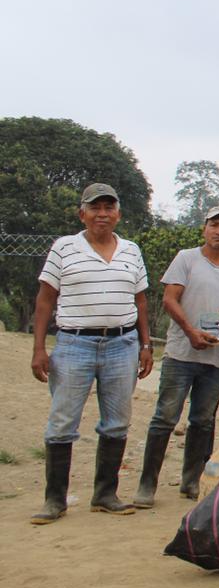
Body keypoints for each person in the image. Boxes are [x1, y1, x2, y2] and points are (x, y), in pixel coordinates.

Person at [29, 183, 152, 524]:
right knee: (62, 422)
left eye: (108, 208)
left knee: (117, 421)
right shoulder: (64, 248)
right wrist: (39, 348)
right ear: (82, 213)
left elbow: (140, 301)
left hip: (122, 345)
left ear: (118, 214)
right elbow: (45, 299)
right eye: (95, 208)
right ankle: (55, 500)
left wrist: (145, 345)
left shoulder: (131, 250)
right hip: (74, 344)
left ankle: (105, 494)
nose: (102, 214)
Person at [135, 206, 219, 508]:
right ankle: (147, 485)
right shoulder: (186, 258)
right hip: (181, 352)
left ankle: (191, 481)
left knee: (203, 420)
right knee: (165, 417)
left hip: (218, 356)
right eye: (214, 225)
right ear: (205, 228)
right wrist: (190, 331)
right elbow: (169, 299)